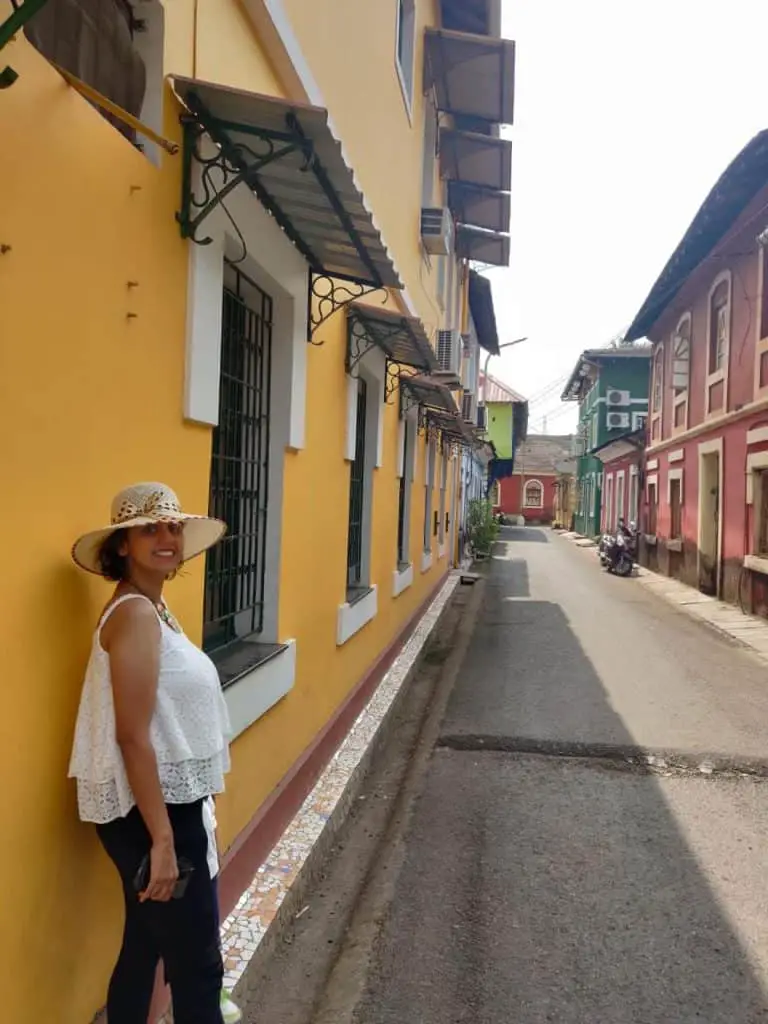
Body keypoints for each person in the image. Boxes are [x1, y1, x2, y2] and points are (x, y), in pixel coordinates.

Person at [68, 482, 241, 1024]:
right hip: (152, 814)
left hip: (162, 806)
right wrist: (164, 840)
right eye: (149, 529)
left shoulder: (155, 611)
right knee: (197, 968)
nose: (166, 537)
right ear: (122, 545)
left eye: (172, 527)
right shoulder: (137, 616)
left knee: (145, 947)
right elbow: (132, 735)